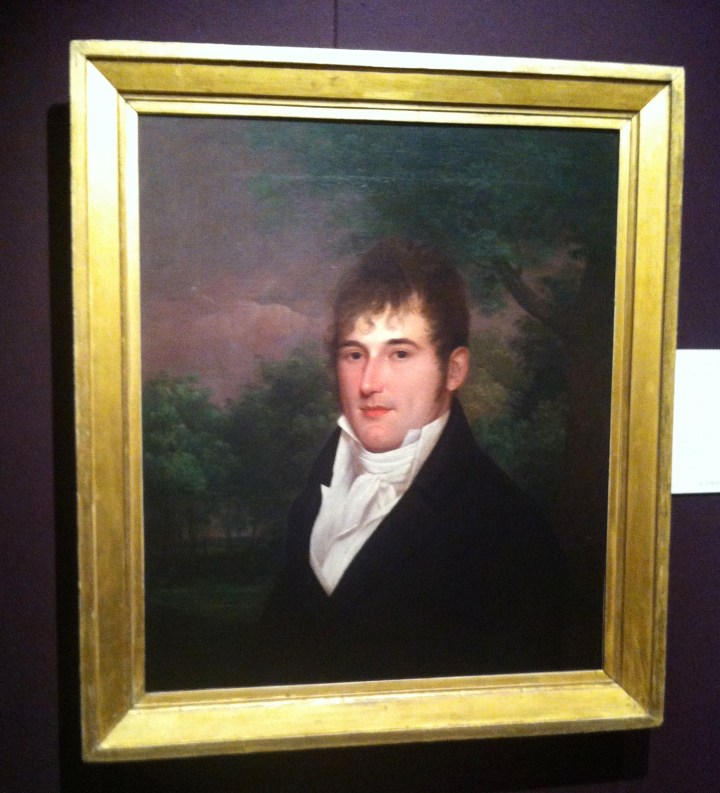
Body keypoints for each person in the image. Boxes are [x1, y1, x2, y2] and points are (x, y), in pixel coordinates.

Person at [248, 238, 566, 685]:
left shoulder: (509, 529)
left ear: (453, 370)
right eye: (354, 354)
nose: (369, 383)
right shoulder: (315, 496)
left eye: (399, 354)